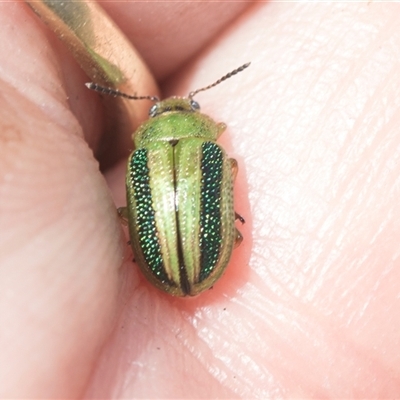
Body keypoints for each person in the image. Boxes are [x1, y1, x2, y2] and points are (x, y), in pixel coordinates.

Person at [1, 1, 399, 397]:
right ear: (202, 122)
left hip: (165, 264)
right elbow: (230, 176)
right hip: (199, 259)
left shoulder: (142, 157)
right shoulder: (211, 152)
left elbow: (130, 214)